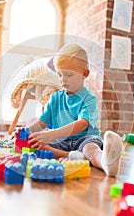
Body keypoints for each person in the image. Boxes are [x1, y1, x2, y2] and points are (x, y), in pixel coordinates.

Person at [23, 44, 123, 177]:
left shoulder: (89, 99)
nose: (63, 80)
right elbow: (41, 122)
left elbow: (82, 124)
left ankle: (106, 163)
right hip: (61, 142)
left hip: (84, 138)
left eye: (69, 75)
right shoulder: (55, 98)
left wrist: (52, 134)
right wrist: (26, 130)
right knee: (37, 144)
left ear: (85, 74)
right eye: (60, 75)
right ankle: (71, 155)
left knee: (90, 149)